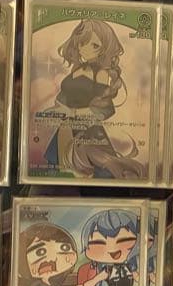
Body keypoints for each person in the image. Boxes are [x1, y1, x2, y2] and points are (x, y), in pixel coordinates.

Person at [42, 19, 146, 179]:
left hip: (87, 131)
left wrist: (73, 113)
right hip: (65, 129)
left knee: (95, 175)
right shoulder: (78, 68)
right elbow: (64, 95)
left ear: (105, 48)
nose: (85, 49)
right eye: (82, 43)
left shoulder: (101, 73)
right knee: (60, 174)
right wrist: (57, 109)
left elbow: (105, 109)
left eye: (95, 46)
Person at [75, 210, 141, 286]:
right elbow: (94, 281)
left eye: (124, 240)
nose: (112, 250)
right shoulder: (107, 270)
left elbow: (139, 278)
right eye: (99, 243)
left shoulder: (131, 267)